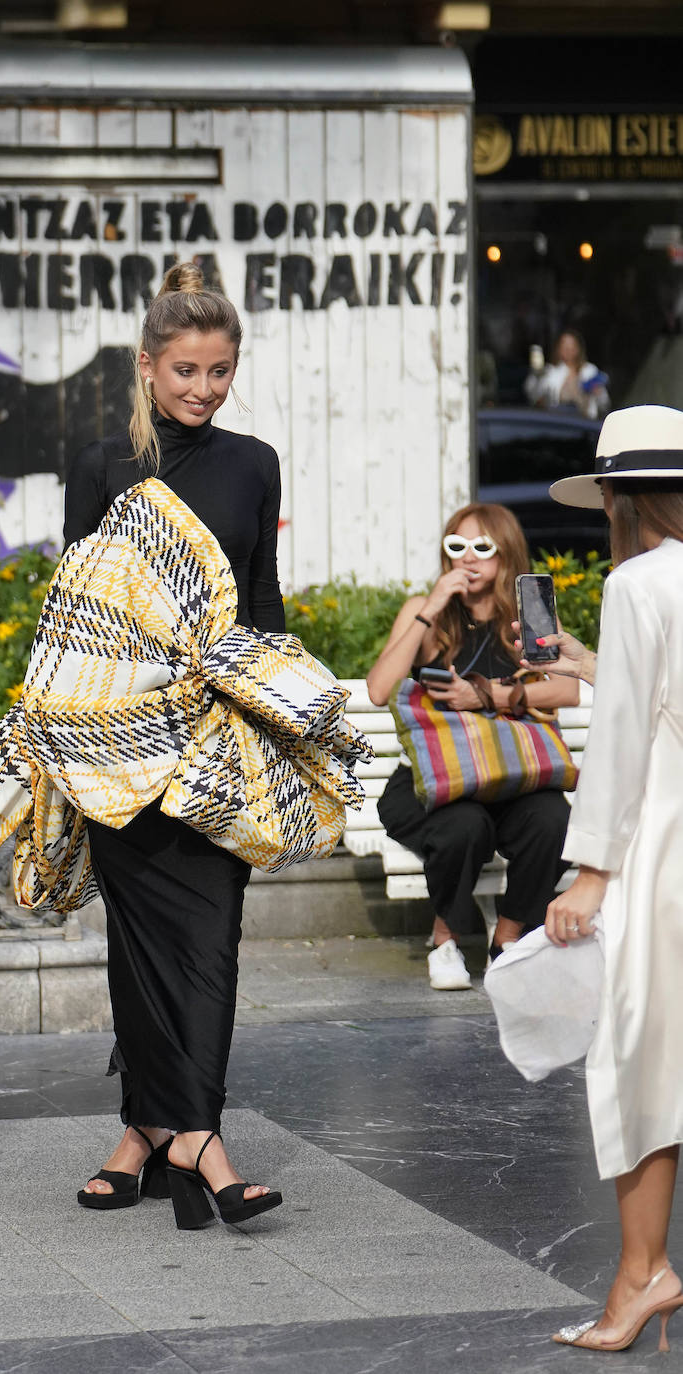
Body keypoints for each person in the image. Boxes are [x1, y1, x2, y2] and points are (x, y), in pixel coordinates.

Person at [63, 262, 284, 1227]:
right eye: (185, 370)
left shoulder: (254, 462)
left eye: (220, 370)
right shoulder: (101, 464)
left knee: (210, 944)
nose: (203, 389)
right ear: (146, 366)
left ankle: (166, 1135)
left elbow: (262, 601)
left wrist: (281, 717)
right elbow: (74, 615)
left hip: (215, 743)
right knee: (137, 951)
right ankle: (182, 1139)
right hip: (119, 747)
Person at [539, 403, 683, 1352]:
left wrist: (589, 873)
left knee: (642, 1058)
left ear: (620, 501)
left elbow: (629, 740)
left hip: (662, 843)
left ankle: (641, 1272)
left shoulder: (638, 583)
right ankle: (641, 1277)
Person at [367, 502, 579, 990]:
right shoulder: (426, 612)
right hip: (433, 781)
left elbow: (566, 690)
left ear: (506, 553)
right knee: (464, 826)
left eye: (483, 548)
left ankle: (507, 939)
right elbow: (380, 689)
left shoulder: (529, 615)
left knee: (554, 821)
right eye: (457, 546)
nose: (469, 558)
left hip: (511, 773)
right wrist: (433, 605)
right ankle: (445, 939)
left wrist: (484, 694)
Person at [524, 329, 610, 420]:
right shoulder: (550, 372)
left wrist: (598, 392)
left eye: (572, 346)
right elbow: (533, 394)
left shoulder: (589, 370)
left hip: (585, 422)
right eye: (564, 346)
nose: (568, 349)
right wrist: (535, 374)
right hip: (559, 421)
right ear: (558, 349)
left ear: (578, 348)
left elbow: (604, 403)